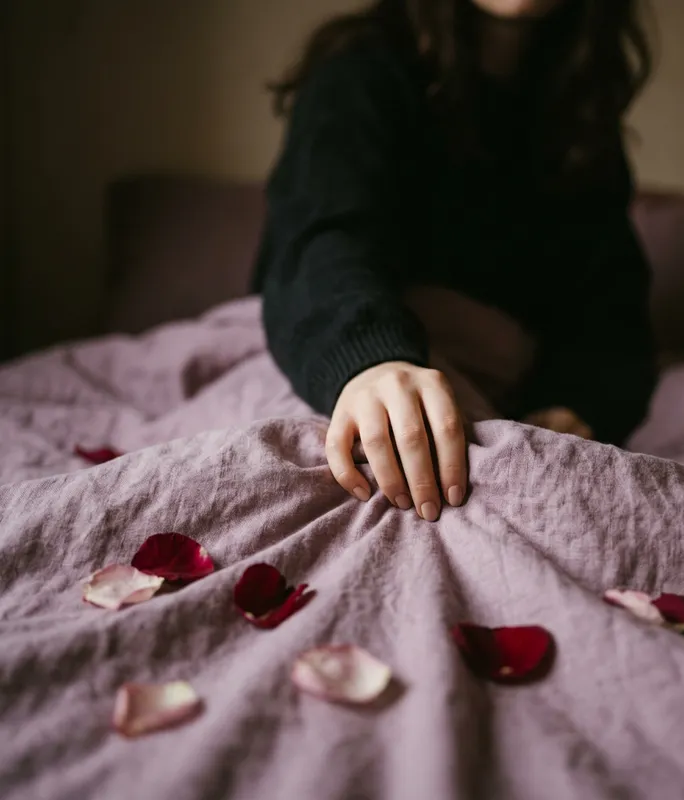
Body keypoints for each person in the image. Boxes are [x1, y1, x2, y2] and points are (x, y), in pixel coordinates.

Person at [255, 0, 657, 522]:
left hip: (504, 385)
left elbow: (612, 306)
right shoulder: (360, 69)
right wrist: (371, 361)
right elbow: (321, 242)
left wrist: (579, 404)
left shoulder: (580, 118)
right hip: (327, 350)